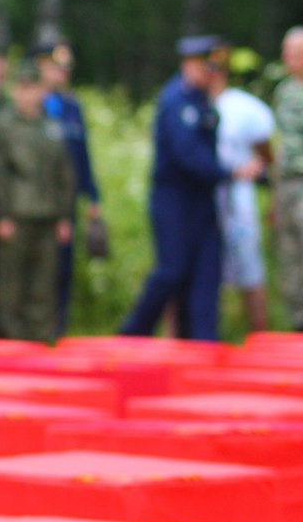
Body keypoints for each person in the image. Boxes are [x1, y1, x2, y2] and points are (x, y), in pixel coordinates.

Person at [120, 36, 263, 341]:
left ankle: (203, 342)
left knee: (206, 274)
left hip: (203, 199)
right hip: (175, 199)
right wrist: (231, 172)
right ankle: (133, 334)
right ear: (189, 64)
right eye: (205, 66)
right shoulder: (176, 100)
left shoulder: (203, 100)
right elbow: (189, 156)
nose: (210, 73)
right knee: (172, 270)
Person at [0, 60, 75, 342]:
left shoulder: (52, 127)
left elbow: (65, 172)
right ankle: (13, 341)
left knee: (43, 285)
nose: (29, 94)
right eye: (24, 88)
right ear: (16, 91)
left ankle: (41, 340)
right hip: (17, 214)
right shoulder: (4, 125)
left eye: (34, 88)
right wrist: (1, 214)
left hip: (48, 215)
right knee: (12, 286)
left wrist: (65, 215)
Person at [34, 38, 105, 335]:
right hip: (35, 200)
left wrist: (94, 199)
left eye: (66, 68)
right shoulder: (31, 105)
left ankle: (57, 330)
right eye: (55, 67)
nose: (62, 73)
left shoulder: (72, 106)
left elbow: (82, 155)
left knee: (63, 268)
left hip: (67, 200)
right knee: (37, 268)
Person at [208, 51, 273, 333]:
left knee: (250, 268)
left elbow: (267, 150)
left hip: (239, 198)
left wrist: (255, 167)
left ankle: (260, 335)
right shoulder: (193, 103)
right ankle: (210, 335)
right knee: (208, 272)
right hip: (207, 199)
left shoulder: (244, 107)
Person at [273, 26, 303, 331]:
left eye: (293, 52)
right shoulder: (285, 91)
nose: (287, 58)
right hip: (288, 184)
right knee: (290, 258)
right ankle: (298, 325)